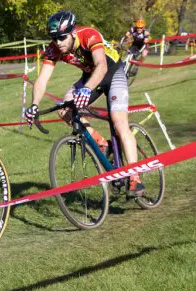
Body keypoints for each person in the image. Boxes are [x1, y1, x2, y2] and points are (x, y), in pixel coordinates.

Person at [24, 10, 145, 197]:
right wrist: (33, 105)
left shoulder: (89, 34)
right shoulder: (54, 48)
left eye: (62, 37)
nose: (58, 42)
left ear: (73, 32)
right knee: (65, 110)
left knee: (119, 122)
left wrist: (87, 89)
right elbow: (42, 79)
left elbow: (102, 66)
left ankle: (135, 179)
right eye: (54, 38)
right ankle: (101, 143)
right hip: (90, 76)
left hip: (112, 73)